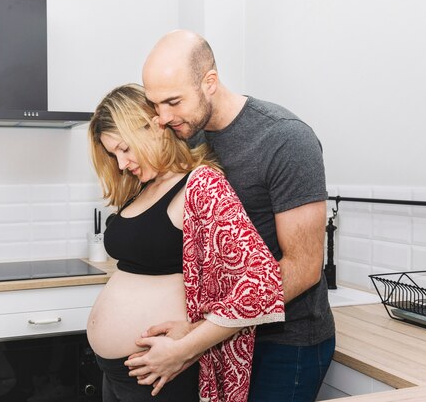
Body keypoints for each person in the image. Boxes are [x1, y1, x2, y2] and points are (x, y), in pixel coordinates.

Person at [125, 30, 335, 402]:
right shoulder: (186, 136)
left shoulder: (285, 140)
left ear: (210, 82)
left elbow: (303, 269)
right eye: (155, 104)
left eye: (173, 101)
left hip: (285, 344)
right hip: (220, 336)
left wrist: (195, 337)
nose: (163, 116)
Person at [86, 83, 284, 402]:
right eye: (113, 154)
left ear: (155, 126)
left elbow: (262, 285)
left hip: (163, 376)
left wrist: (186, 347)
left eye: (124, 148)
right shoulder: (139, 190)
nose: (121, 163)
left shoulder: (201, 185)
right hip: (117, 376)